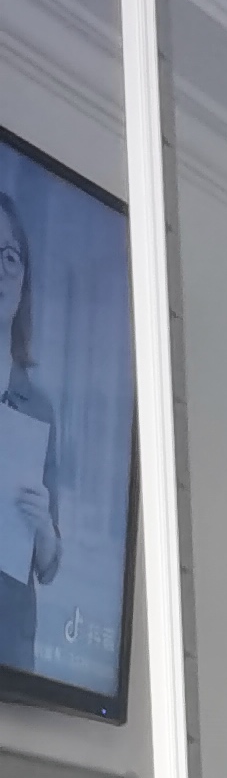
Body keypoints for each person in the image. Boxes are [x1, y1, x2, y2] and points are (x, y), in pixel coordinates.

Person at [0, 192, 62, 678]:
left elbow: (49, 563)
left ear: (23, 280)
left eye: (10, 256)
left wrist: (43, 527)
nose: (0, 269)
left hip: (11, 645)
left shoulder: (38, 408)